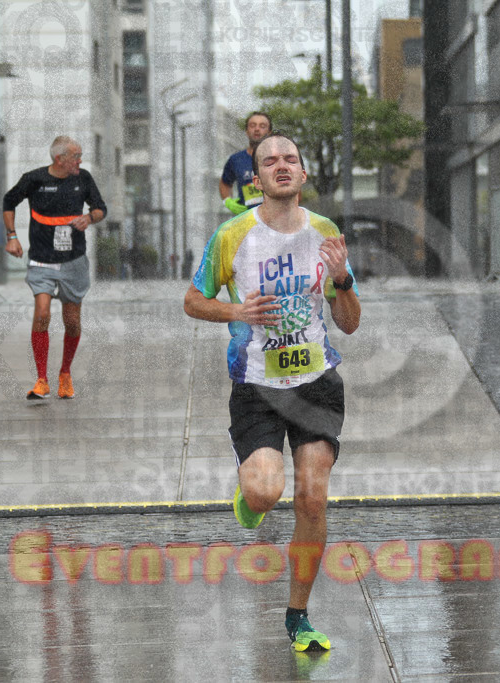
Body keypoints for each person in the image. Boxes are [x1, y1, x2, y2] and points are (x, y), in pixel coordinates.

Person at [185, 132, 361, 652]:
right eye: (270, 162)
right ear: (255, 179)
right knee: (267, 491)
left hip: (316, 383)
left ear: (303, 175)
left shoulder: (325, 232)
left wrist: (344, 281)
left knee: (312, 497)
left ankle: (299, 615)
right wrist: (235, 311)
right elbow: (194, 300)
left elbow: (348, 323)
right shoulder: (233, 235)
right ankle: (250, 494)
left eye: (290, 160)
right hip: (257, 385)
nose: (281, 166)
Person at [3, 136, 106, 400]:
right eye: (75, 156)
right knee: (42, 313)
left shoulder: (83, 178)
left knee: (72, 321)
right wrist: (12, 237)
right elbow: (8, 201)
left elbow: (100, 208)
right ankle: (41, 380)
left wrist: (89, 217)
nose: (79, 161)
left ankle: (65, 373)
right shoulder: (34, 179)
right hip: (41, 260)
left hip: (73, 260)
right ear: (59, 159)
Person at [219, 111, 272, 215]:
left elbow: (296, 192)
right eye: (253, 125)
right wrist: (228, 201)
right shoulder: (236, 159)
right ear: (247, 131)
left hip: (275, 221)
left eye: (262, 126)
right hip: (247, 219)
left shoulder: (279, 158)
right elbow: (224, 183)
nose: (257, 129)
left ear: (269, 132)